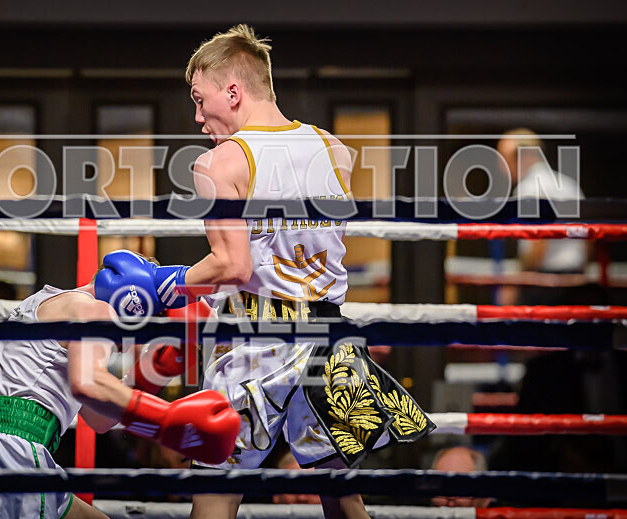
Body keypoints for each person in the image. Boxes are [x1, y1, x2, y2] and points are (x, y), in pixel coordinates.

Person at [94, 25, 434, 519]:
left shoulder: (219, 163)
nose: (197, 116)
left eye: (199, 98)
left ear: (232, 92)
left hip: (257, 342)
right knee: (341, 495)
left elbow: (233, 266)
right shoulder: (333, 149)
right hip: (326, 336)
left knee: (217, 490)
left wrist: (165, 284)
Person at [0, 277, 241, 518]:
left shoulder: (54, 303)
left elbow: (99, 419)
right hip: (6, 451)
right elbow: (88, 384)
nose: (136, 342)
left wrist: (153, 374)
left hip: (6, 449)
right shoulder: (94, 309)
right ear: (136, 300)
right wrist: (167, 422)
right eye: (150, 323)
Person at [496, 128, 589, 305]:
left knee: (534, 331)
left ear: (525, 155)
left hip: (544, 283)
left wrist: (517, 282)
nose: (502, 166)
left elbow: (537, 244)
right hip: (577, 279)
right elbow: (589, 238)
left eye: (505, 158)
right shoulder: (568, 183)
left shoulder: (529, 188)